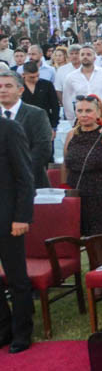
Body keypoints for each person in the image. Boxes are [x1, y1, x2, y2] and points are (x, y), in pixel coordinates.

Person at [62, 95, 102, 262]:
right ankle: (97, 278)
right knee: (90, 239)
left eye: (88, 110)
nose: (84, 114)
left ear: (98, 113)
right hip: (80, 195)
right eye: (80, 110)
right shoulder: (71, 135)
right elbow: (65, 164)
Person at [0, 115, 34, 353]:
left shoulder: (9, 129)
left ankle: (22, 332)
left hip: (8, 218)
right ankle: (3, 329)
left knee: (16, 278)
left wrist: (22, 216)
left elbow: (25, 177)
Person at [0, 70, 53, 187]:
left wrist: (19, 174)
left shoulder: (36, 114)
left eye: (8, 86)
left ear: (20, 90)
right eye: (0, 86)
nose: (3, 90)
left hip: (30, 183)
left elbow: (42, 149)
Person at [62, 47, 102, 123]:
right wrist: (71, 119)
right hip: (82, 117)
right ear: (79, 57)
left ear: (95, 58)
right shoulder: (71, 77)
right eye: (82, 54)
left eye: (88, 54)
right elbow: (66, 98)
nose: (85, 57)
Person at [22, 59, 60, 126]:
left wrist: (54, 125)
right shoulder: (18, 86)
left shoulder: (47, 85)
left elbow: (55, 106)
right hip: (24, 123)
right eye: (32, 77)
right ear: (23, 75)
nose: (35, 79)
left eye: (37, 76)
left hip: (44, 122)